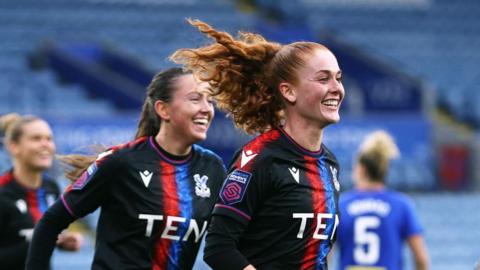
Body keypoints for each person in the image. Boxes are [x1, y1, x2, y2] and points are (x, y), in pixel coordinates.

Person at [171, 19, 345, 270]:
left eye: (338, 78)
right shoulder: (259, 159)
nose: (336, 88)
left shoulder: (329, 164)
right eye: (323, 79)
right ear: (289, 91)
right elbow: (219, 248)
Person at [25, 68, 227, 270]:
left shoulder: (213, 168)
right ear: (163, 109)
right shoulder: (121, 162)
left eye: (209, 101)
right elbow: (50, 223)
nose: (207, 109)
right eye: (195, 99)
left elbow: (228, 241)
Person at [336, 130, 429, 270]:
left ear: (362, 169)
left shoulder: (341, 205)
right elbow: (420, 257)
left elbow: (325, 254)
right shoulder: (402, 205)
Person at [0, 113, 83, 270]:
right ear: (13, 146)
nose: (45, 144)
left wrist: (62, 242)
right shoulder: (2, 193)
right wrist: (44, 239)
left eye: (49, 138)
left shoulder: (51, 188)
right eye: (36, 138)